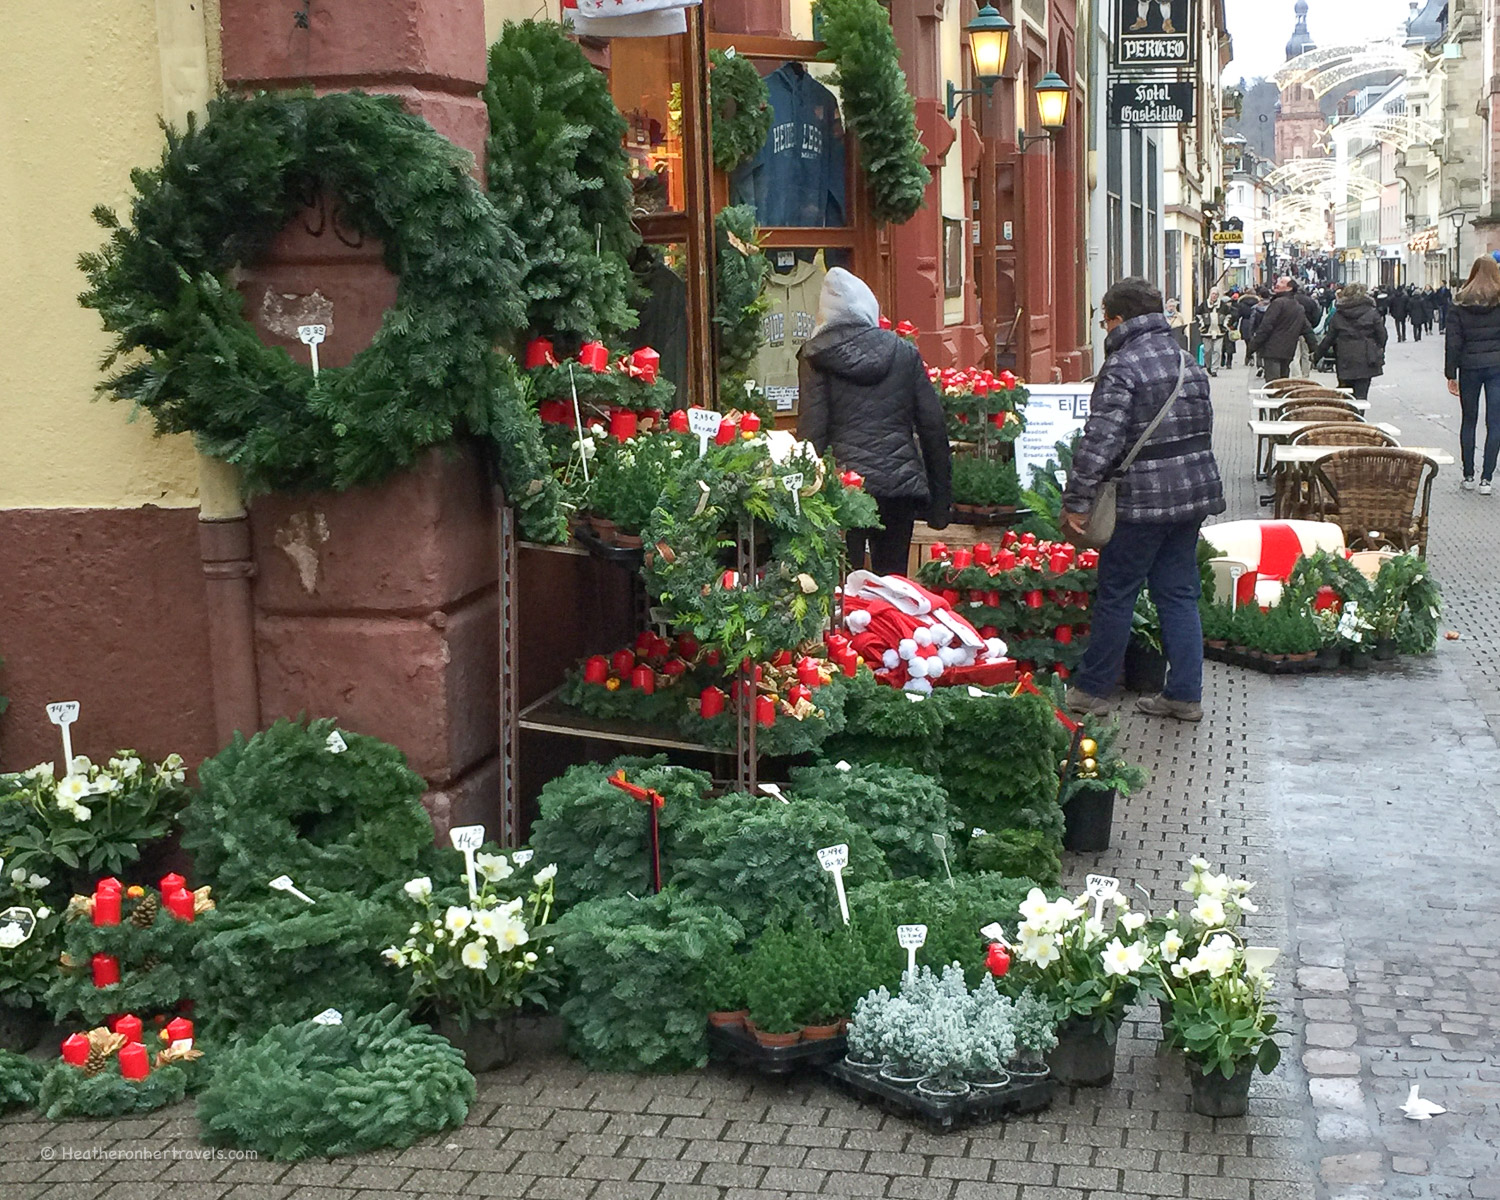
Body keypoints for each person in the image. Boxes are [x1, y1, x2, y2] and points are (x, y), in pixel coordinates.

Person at [1061, 277, 1225, 722]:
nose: (1102, 325)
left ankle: (1091, 690)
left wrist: (1077, 499)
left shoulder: (1122, 366)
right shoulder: (1186, 360)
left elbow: (1101, 441)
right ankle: (1184, 694)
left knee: (1118, 592)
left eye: (1104, 317)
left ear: (1118, 318)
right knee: (1178, 592)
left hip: (1141, 500)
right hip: (1191, 495)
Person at [798, 267, 951, 572]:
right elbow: (933, 426)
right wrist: (940, 504)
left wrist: (804, 499)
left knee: (842, 586)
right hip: (899, 485)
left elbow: (812, 432)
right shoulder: (903, 352)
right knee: (893, 583)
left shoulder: (816, 356)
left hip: (843, 488)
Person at [1444, 255, 1500, 494]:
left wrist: (1450, 373)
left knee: (1469, 420)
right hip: (1497, 367)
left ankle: (1468, 475)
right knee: (1495, 423)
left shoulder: (1460, 302)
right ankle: (1486, 479)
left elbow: (1453, 342)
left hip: (1469, 367)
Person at [1315, 282, 1387, 400]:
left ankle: (1349, 416)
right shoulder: (1371, 312)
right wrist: (1377, 348)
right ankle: (1359, 416)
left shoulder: (1339, 314)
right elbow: (1382, 335)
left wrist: (1317, 355)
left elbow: (1329, 338)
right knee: (1361, 395)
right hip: (1366, 357)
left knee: (1346, 394)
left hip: (1345, 357)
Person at [1247, 276, 1313, 382]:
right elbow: (1307, 329)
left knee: (1273, 386)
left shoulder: (1277, 304)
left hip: (1272, 350)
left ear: (1289, 288)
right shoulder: (1298, 307)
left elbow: (1266, 327)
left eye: (1281, 282)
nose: (1277, 284)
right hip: (1288, 352)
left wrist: (1252, 347)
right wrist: (1315, 350)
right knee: (1282, 384)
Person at [1196, 289, 1225, 377]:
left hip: (1219, 332)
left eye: (1216, 294)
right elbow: (1197, 314)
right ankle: (1208, 366)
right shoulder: (1204, 304)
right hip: (1207, 332)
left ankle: (1214, 369)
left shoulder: (1222, 305)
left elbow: (1229, 315)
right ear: (1210, 294)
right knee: (1207, 351)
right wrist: (1202, 324)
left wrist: (1225, 325)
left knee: (1217, 350)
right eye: (1213, 294)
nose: (1214, 296)